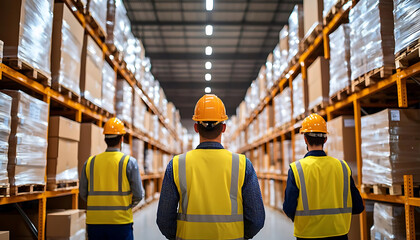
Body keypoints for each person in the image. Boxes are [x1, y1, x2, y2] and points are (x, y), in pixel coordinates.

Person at [156, 94, 265, 240]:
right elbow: (256, 219)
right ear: (224, 128)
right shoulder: (242, 164)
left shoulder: (177, 164)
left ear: (196, 127)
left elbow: (164, 219)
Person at [283, 113, 364, 240]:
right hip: (339, 233)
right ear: (325, 139)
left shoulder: (296, 169)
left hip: (307, 235)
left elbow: (288, 208)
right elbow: (358, 206)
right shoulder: (342, 167)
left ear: (305, 139)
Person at [79, 117, 144, 240]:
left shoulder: (90, 162)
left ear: (105, 139)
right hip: (121, 222)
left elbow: (82, 193)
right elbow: (139, 194)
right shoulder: (129, 162)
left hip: (95, 223)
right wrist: (127, 205)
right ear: (122, 139)